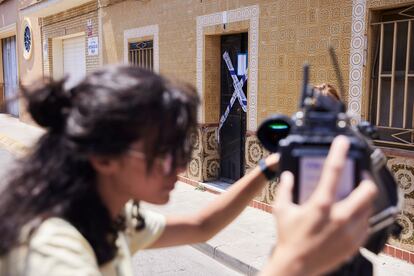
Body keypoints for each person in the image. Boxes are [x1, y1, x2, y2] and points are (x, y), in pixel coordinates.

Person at [0, 65, 377, 275]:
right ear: (103, 157)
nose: (180, 164)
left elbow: (200, 226)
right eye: (164, 150)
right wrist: (294, 261)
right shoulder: (52, 249)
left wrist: (268, 166)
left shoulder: (105, 218)